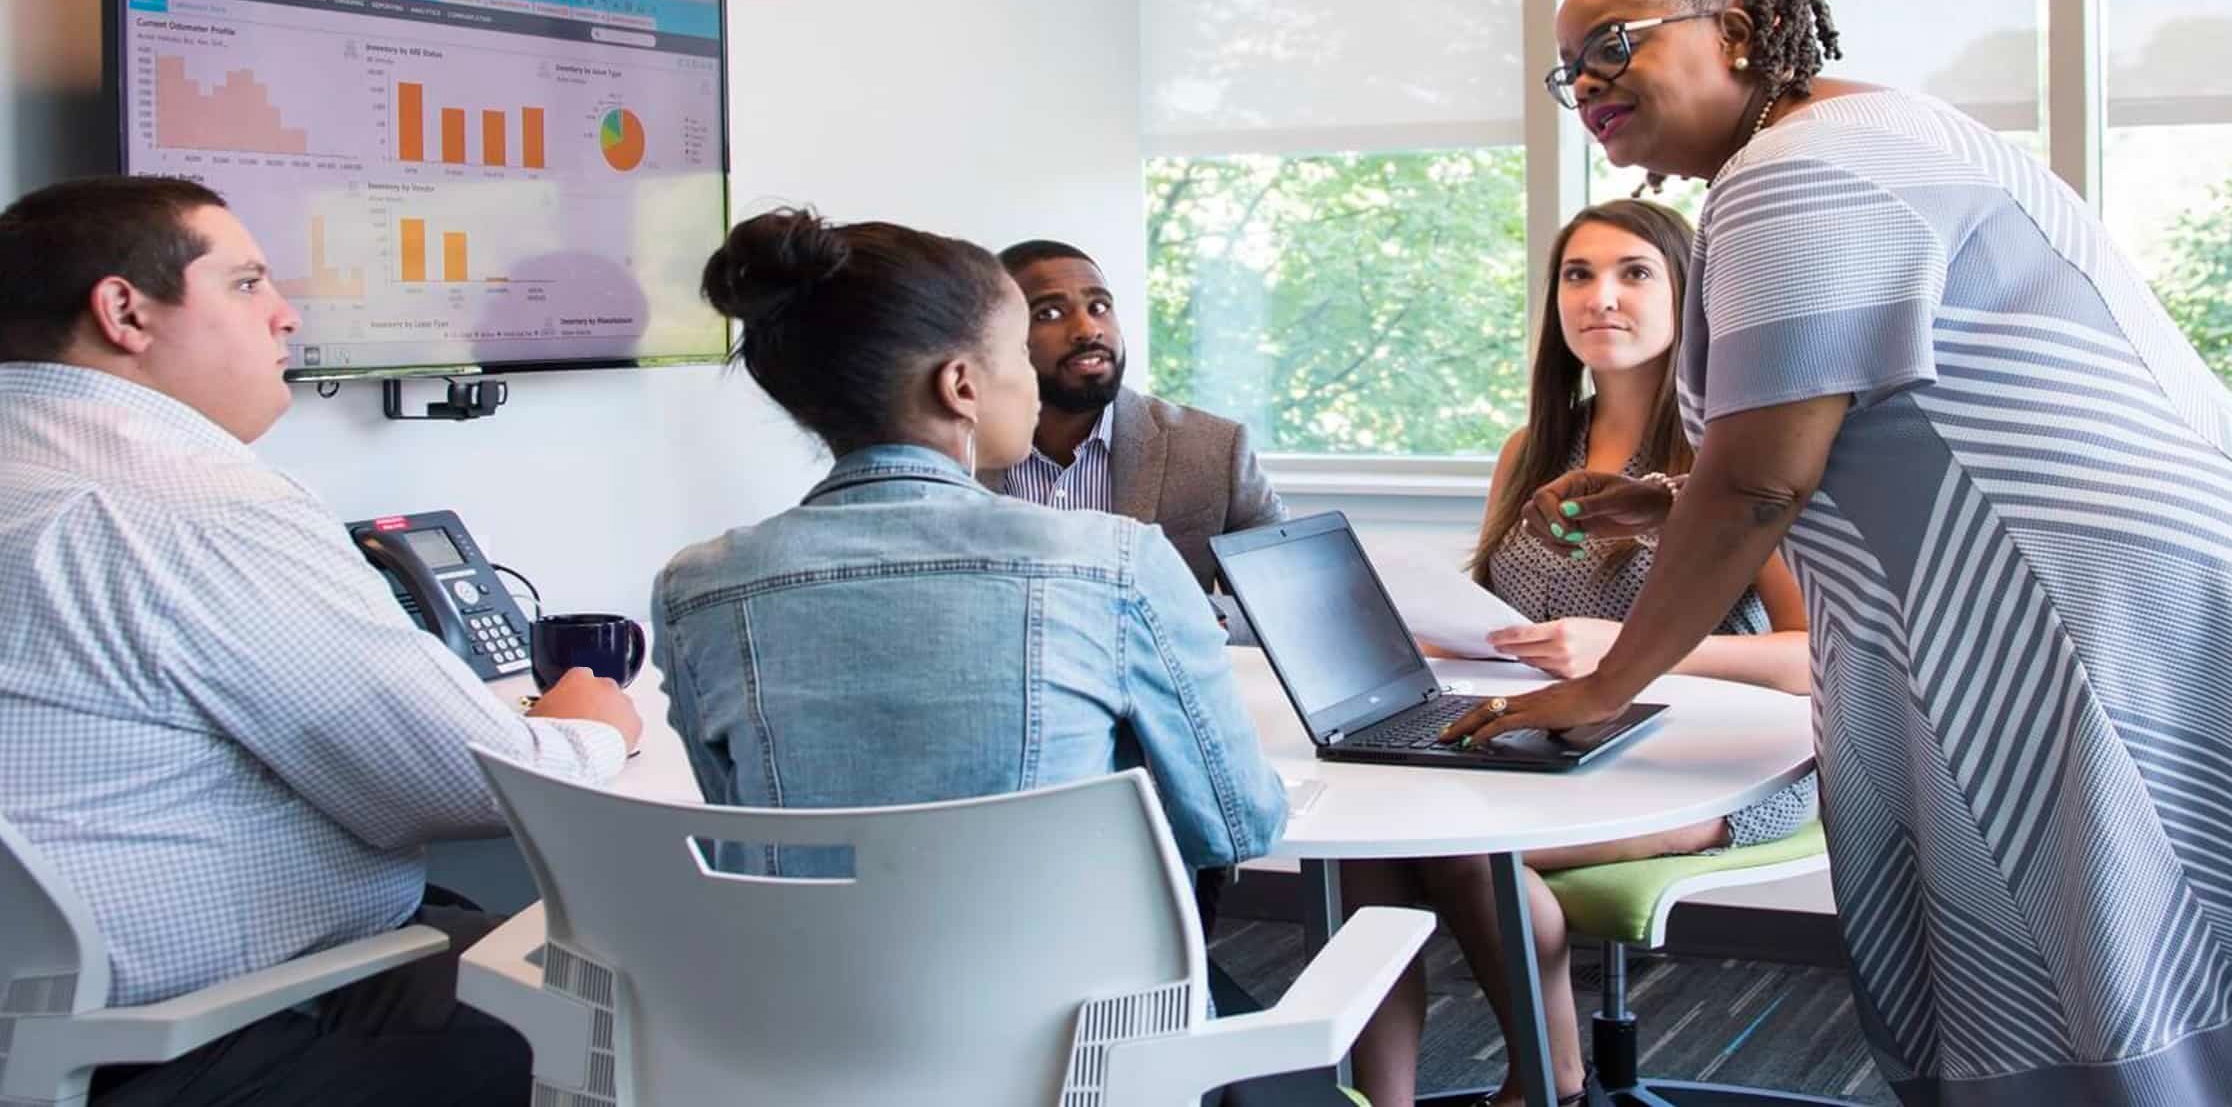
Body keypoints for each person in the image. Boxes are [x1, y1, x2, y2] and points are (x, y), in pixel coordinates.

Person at [1440, 0, 2232, 1105]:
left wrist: (1607, 686)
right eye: (1571, 69)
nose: (1589, 84)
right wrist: (1669, 502)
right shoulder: (1873, 131)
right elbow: (1862, 427)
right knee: (2136, 955)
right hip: (2112, 586)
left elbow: (1765, 482)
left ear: (1742, 35)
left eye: (1613, 43)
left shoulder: (1795, 170)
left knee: (2098, 967)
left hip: (2061, 612)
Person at [652, 209, 1340, 1105]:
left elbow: (741, 829)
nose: (1035, 373)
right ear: (963, 384)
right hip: (1079, 1062)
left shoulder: (696, 586)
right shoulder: (1117, 561)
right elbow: (1236, 829)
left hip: (801, 1050)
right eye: (1021, 350)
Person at [0, 176, 642, 1107]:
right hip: (194, 1043)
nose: (286, 316)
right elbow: (480, 783)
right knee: (646, 1000)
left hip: (50, 1039)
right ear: (125, 312)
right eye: (248, 284)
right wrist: (586, 729)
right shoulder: (188, 506)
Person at [1343, 199, 1816, 1107]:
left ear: (1690, 298)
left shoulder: (1736, 455)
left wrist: (1630, 655)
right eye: (1579, 274)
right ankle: (1377, 1103)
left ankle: (1546, 1081)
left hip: (1704, 761)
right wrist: (1447, 629)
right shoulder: (1533, 449)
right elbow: (1509, 616)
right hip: (1557, 748)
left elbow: (1805, 657)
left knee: (1466, 851)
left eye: (1635, 273)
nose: (1601, 296)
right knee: (1370, 851)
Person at [983, 239, 1286, 591]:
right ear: (994, 337)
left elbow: (1279, 607)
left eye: (1099, 306)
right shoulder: (955, 449)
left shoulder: (1216, 450)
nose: (1088, 329)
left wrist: (1185, 618)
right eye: (1049, 313)